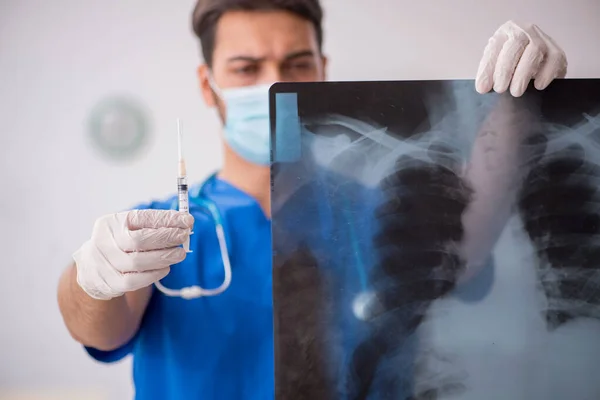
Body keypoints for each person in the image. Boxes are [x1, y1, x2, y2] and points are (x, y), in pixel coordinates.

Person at [56, 0, 568, 398]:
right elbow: (96, 326)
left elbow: (466, 246)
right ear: (207, 86)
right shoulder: (163, 228)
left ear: (321, 70)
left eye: (295, 63)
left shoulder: (380, 211)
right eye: (245, 67)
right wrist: (90, 281)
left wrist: (521, 101)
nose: (272, 82)